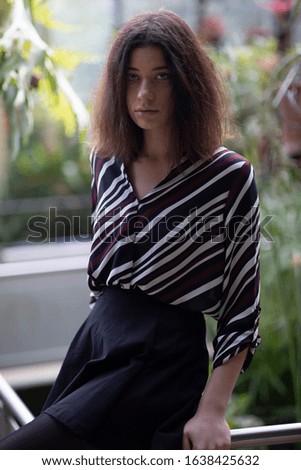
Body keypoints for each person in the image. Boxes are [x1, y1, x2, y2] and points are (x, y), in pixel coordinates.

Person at [0, 10, 261, 450]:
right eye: (132, 77)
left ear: (186, 84)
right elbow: (101, 278)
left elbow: (242, 306)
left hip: (162, 357)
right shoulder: (105, 161)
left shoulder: (227, 177)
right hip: (97, 343)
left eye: (161, 76)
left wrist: (213, 410)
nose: (144, 93)